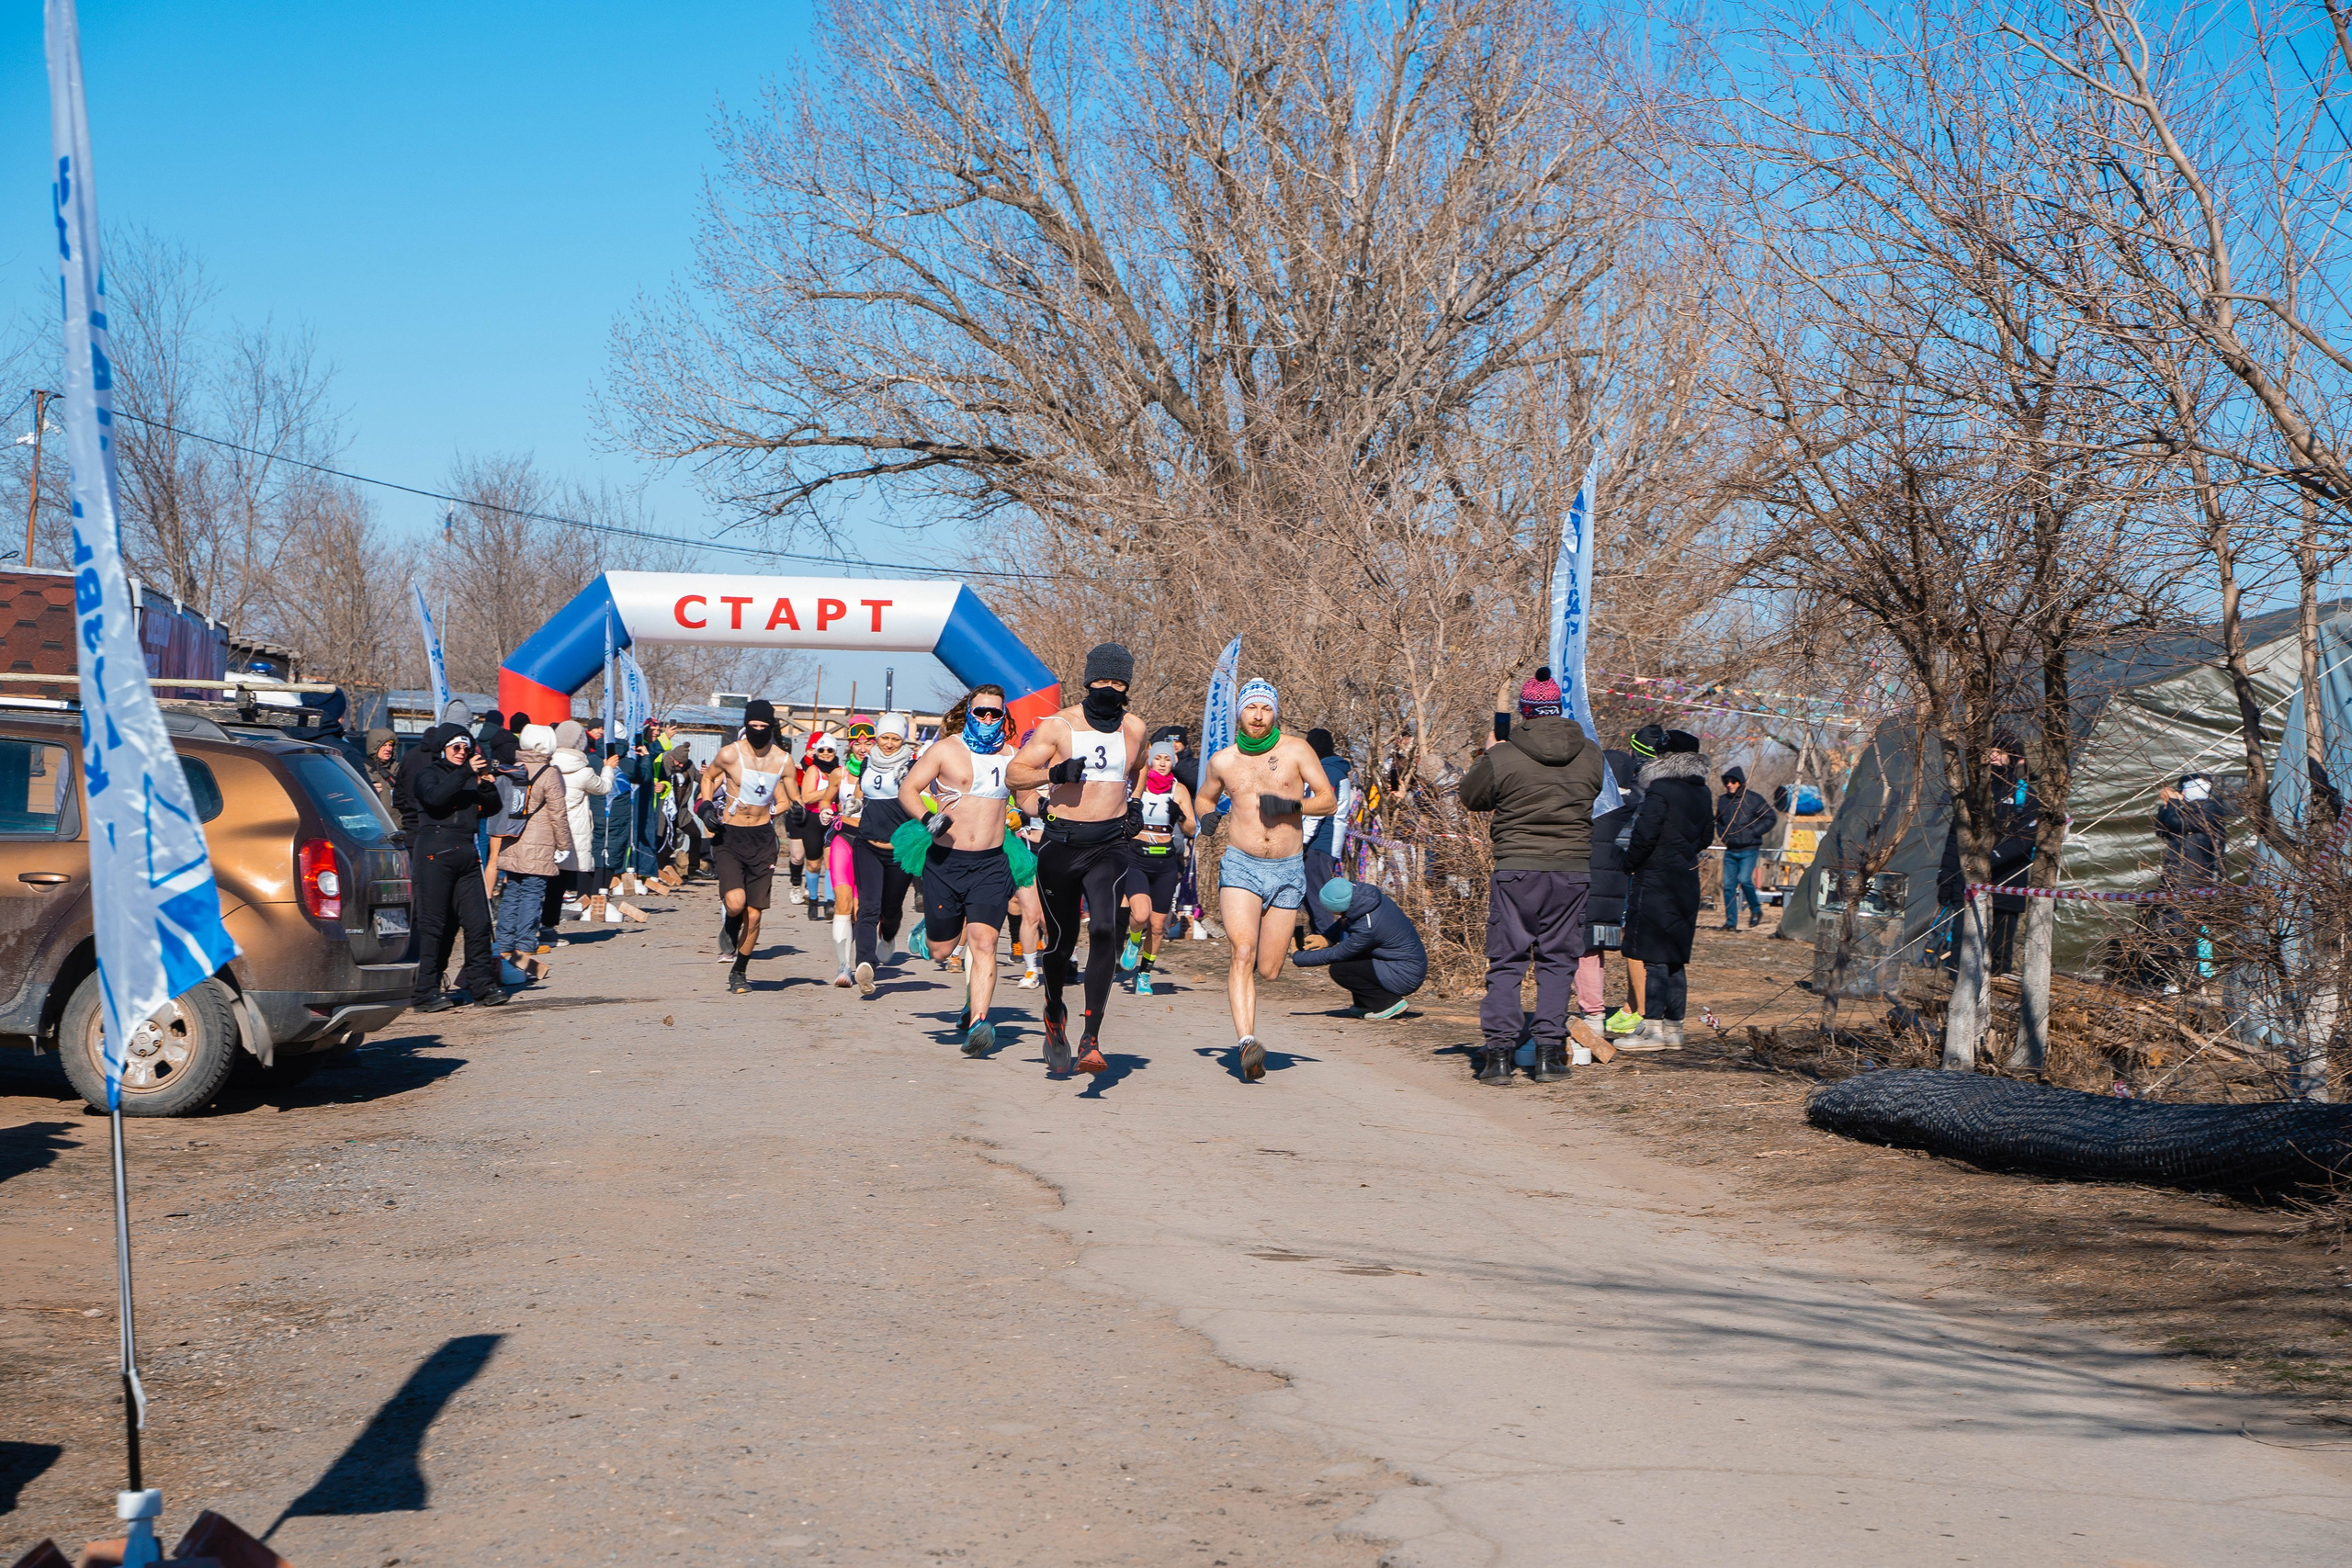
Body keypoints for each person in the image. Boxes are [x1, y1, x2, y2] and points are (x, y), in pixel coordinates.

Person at [1008, 643, 1150, 1077]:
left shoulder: (1135, 728)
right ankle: (1054, 1012)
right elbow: (1014, 774)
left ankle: (1092, 1036)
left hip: (1109, 844)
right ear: (1087, 681)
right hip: (1062, 844)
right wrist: (1055, 774)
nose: (1109, 688)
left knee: (1106, 928)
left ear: (1127, 684)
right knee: (1060, 942)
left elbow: (1140, 766)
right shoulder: (1058, 726)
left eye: (1118, 682)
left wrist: (1136, 804)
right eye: (1102, 680)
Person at [1457, 670, 1605, 1084]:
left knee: (1508, 961)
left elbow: (1472, 798)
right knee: (1559, 961)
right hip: (1572, 870)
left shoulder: (1503, 755)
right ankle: (1548, 1056)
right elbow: (1591, 792)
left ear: (1524, 713)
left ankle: (1499, 1057)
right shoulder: (1592, 754)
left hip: (1517, 869)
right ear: (1558, 710)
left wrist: (1488, 754)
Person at [1193, 678, 1335, 1081]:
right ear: (1240, 712)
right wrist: (1206, 816)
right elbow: (1206, 796)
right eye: (1251, 708)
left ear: (1275, 712)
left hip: (1288, 869)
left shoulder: (1295, 750)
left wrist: (1294, 804)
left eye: (1265, 709)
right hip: (1241, 865)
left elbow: (1328, 799)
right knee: (1242, 951)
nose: (1258, 716)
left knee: (1269, 968)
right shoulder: (1223, 761)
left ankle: (1248, 989)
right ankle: (1247, 1042)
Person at [899, 684, 1021, 1055]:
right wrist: (927, 817)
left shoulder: (1012, 757)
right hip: (946, 864)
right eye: (981, 712)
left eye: (994, 714)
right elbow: (908, 789)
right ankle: (930, 932)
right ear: (968, 712)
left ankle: (980, 1020)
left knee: (984, 942)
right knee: (941, 951)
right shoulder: (945, 750)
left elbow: (1029, 799)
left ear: (1003, 716)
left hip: (991, 864)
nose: (987, 719)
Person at [1621, 728, 1713, 1050]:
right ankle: (1674, 1029)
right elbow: (1706, 839)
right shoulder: (1703, 793)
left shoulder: (1660, 790)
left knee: (1653, 956)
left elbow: (1644, 835)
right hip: (1686, 880)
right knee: (1675, 957)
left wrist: (1627, 862)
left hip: (1656, 878)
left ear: (1666, 756)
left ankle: (1654, 1030)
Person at [408, 724, 507, 1012]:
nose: (462, 753)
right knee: (435, 926)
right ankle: (425, 991)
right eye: (456, 748)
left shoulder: (469, 777)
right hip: (435, 853)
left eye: (466, 748)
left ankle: (482, 985)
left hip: (466, 851)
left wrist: (486, 783)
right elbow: (435, 799)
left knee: (478, 924)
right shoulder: (429, 774)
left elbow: (491, 808)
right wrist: (467, 773)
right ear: (443, 748)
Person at [699, 698, 793, 993]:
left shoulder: (782, 760)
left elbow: (792, 796)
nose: (758, 731)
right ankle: (729, 924)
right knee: (737, 904)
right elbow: (708, 777)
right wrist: (705, 807)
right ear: (745, 725)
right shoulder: (729, 754)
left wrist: (794, 808)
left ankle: (739, 971)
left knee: (754, 914)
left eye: (764, 727)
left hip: (763, 840)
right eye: (753, 726)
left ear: (772, 727)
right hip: (730, 837)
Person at [844, 711, 921, 996]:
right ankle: (865, 963)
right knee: (868, 908)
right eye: (885, 738)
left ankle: (887, 937)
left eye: (895, 739)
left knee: (890, 912)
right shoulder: (866, 763)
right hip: (867, 845)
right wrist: (848, 807)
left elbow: (925, 796)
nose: (889, 744)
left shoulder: (912, 767)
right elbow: (859, 795)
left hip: (899, 850)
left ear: (903, 740)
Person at [1118, 736, 1199, 996]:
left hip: (1165, 861)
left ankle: (1144, 975)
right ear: (1150, 761)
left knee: (1156, 926)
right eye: (1158, 758)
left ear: (1173, 762)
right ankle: (1132, 941)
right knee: (1140, 915)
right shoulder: (1137, 785)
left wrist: (1181, 816)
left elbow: (1192, 829)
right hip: (1137, 857)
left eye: (1168, 759)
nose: (1163, 763)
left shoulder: (1179, 789)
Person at [494, 725, 573, 978]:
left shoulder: (512, 768)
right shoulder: (549, 773)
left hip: (512, 838)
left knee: (512, 891)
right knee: (532, 893)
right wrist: (564, 845)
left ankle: (504, 944)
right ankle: (525, 945)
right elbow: (558, 813)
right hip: (539, 842)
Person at [1290, 878, 1426, 1018]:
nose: (1334, 915)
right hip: (1399, 963)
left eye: (1335, 912)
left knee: (1340, 969)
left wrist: (1298, 956)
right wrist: (1326, 938)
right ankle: (1365, 1004)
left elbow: (1339, 953)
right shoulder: (1365, 900)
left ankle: (1387, 1004)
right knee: (1352, 960)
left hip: (1405, 975)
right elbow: (1348, 920)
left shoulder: (1368, 926)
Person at [1579, 746, 1640, 1059]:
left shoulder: (1593, 802)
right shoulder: (1637, 803)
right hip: (1618, 891)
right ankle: (1596, 1015)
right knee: (1595, 952)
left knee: (1573, 948)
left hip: (1584, 884)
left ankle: (1587, 1014)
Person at [2154, 770, 2232, 993]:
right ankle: (2184, 979)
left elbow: (2179, 822)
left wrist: (2174, 803)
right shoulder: (2186, 809)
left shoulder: (2211, 809)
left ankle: (2195, 981)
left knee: (2190, 928)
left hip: (2197, 879)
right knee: (2173, 927)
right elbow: (2163, 826)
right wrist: (2169, 804)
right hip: (2177, 876)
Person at [552, 720, 616, 923]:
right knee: (566, 875)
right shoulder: (583, 771)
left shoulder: (548, 766)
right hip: (574, 828)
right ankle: (553, 922)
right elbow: (604, 787)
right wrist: (608, 769)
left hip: (550, 827)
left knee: (548, 878)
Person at [1300, 728, 1353, 941]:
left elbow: (1317, 813)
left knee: (1316, 893)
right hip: (1322, 842)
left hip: (1320, 842)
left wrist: (1302, 842)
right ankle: (1319, 934)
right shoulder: (1330, 770)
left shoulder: (1327, 773)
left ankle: (1325, 938)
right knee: (1310, 892)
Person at [1714, 765, 1777, 932]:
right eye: (1726, 782)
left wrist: (1753, 832)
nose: (1729, 784)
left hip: (1749, 848)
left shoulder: (1753, 799)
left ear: (1740, 783)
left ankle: (1756, 910)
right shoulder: (1723, 801)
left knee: (1744, 879)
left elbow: (1771, 817)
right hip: (1731, 849)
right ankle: (1731, 922)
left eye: (1733, 781)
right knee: (1728, 886)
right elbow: (1719, 822)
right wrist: (1724, 836)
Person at [796, 733, 843, 919]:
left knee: (832, 863)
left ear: (835, 751)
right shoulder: (813, 771)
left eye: (829, 750)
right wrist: (832, 787)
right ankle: (814, 899)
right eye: (821, 750)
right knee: (814, 864)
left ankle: (830, 902)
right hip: (814, 820)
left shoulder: (840, 770)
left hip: (834, 820)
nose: (825, 753)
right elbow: (807, 797)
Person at [363, 728, 401, 817]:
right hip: (376, 825)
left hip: (398, 826)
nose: (388, 749)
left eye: (391, 745)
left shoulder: (399, 769)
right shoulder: (363, 771)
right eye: (384, 745)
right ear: (374, 747)